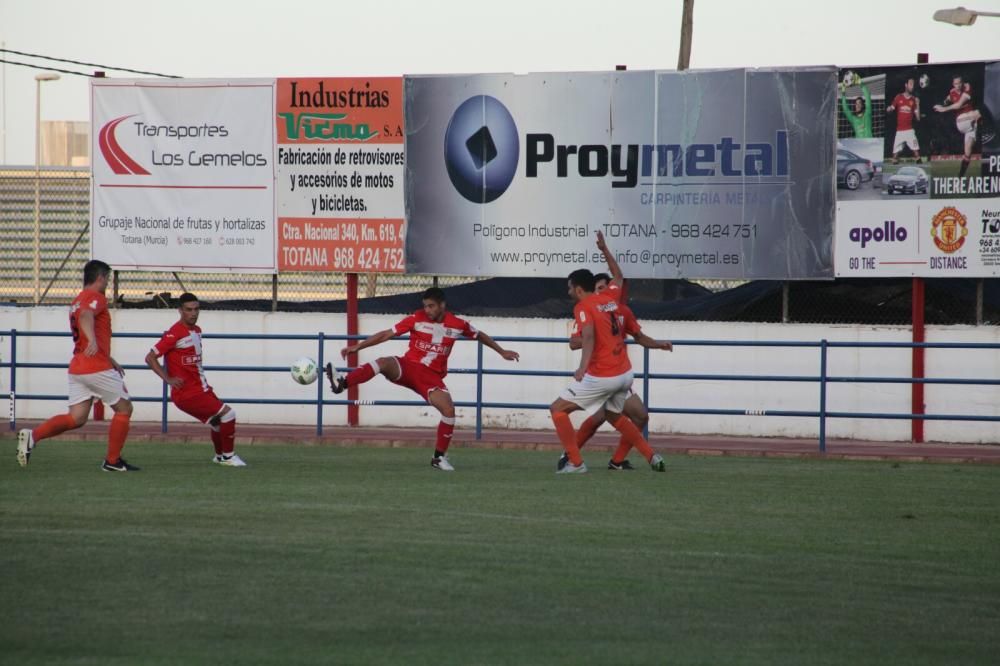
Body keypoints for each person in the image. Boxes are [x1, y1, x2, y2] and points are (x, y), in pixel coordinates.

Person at [325, 287, 520, 471]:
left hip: (431, 378)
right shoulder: (416, 318)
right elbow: (386, 334)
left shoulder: (458, 324)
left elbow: (480, 336)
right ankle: (342, 383)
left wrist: (501, 351)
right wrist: (358, 346)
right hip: (409, 368)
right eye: (425, 305)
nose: (427, 310)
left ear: (442, 305)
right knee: (383, 362)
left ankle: (438, 458)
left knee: (449, 410)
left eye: (431, 306)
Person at [558, 231, 673, 471]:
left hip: (602, 374)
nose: (568, 292)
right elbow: (619, 276)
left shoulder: (587, 306)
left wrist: (581, 366)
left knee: (558, 410)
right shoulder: (611, 300)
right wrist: (604, 249)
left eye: (570, 288)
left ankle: (574, 460)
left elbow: (588, 337)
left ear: (579, 289)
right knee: (612, 415)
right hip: (622, 374)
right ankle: (649, 456)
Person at [16, 260, 138, 472]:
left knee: (77, 418)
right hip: (95, 367)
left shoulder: (77, 299)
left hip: (79, 367)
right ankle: (112, 461)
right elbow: (86, 316)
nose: (108, 283)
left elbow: (83, 320)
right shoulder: (94, 297)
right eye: (107, 279)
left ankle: (32, 437)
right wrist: (92, 340)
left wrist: (108, 356)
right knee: (124, 408)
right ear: (100, 278)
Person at [144, 293, 246, 467]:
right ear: (180, 311)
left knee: (217, 421)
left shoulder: (196, 330)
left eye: (196, 309)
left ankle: (220, 456)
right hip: (187, 393)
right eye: (188, 310)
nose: (193, 313)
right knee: (229, 414)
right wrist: (168, 379)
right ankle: (229, 457)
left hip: (201, 388)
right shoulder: (174, 333)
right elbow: (150, 357)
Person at [933, 75, 982, 178]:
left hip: (971, 124)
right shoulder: (952, 92)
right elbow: (947, 99)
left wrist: (944, 109)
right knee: (978, 113)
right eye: (956, 84)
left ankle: (960, 176)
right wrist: (941, 104)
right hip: (961, 121)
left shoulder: (967, 87)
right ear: (953, 84)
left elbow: (959, 104)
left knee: (968, 152)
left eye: (959, 83)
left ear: (962, 82)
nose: (958, 85)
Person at [887, 77, 922, 164]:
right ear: (906, 85)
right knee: (894, 159)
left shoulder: (914, 100)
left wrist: (918, 104)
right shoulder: (898, 97)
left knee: (918, 157)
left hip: (910, 131)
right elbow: (891, 108)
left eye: (913, 84)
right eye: (910, 84)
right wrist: (889, 109)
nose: (912, 86)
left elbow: (918, 118)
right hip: (900, 131)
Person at [840, 73, 873, 139]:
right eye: (856, 104)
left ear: (863, 105)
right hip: (859, 146)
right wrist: (843, 93)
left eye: (859, 103)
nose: (857, 105)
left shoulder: (867, 114)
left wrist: (860, 83)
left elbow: (867, 97)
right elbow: (845, 109)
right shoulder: (853, 119)